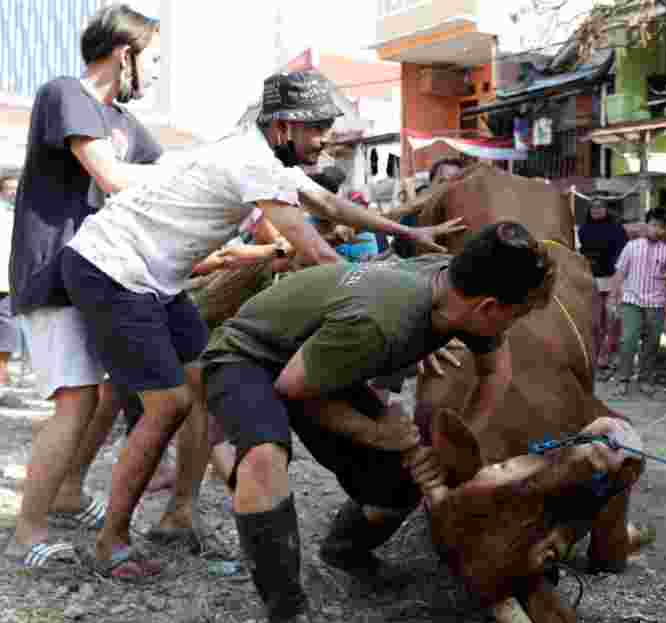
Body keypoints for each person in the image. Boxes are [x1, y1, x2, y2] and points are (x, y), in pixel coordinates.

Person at [59, 69, 463, 580]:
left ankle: (177, 517)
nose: (325, 139)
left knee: (203, 384)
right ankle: (110, 541)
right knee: (169, 404)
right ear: (285, 126)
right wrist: (402, 308)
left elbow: (329, 204)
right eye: (317, 128)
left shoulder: (264, 157)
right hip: (111, 267)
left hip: (155, 280)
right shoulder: (252, 161)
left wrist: (408, 230)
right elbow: (313, 250)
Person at [200, 222, 555, 623]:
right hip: (250, 355)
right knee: (265, 455)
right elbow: (291, 388)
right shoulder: (383, 321)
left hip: (323, 362)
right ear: (488, 307)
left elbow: (495, 372)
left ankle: (344, 551)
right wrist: (379, 433)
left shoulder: (462, 291)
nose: (512, 327)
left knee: (398, 484)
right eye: (516, 315)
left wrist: (458, 442)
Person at [3, 4, 168, 569]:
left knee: (111, 390)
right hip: (51, 271)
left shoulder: (127, 123)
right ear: (126, 54)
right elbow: (115, 178)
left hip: (99, 274)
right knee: (74, 400)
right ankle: (28, 530)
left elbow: (168, 177)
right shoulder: (64, 93)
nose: (158, 72)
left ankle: (69, 492)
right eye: (156, 60)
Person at [610, 209, 666, 397]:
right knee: (628, 340)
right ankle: (623, 379)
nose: (656, 229)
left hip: (656, 303)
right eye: (653, 224)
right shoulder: (631, 246)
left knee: (652, 343)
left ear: (664, 229)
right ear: (646, 225)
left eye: (660, 226)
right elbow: (620, 272)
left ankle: (645, 379)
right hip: (632, 301)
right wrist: (613, 298)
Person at [577, 198, 628, 379]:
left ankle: (612, 356)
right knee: (595, 321)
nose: (596, 210)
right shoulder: (583, 230)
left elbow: (623, 253)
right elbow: (580, 253)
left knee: (613, 320)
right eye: (593, 207)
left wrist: (618, 276)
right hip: (592, 279)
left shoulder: (617, 228)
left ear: (606, 209)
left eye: (600, 207)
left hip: (613, 278)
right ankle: (597, 355)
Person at [0, 172, 19, 391]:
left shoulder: (19, 215)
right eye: (9, 189)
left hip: (7, 282)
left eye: (16, 188)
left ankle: (2, 379)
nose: (13, 192)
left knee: (6, 334)